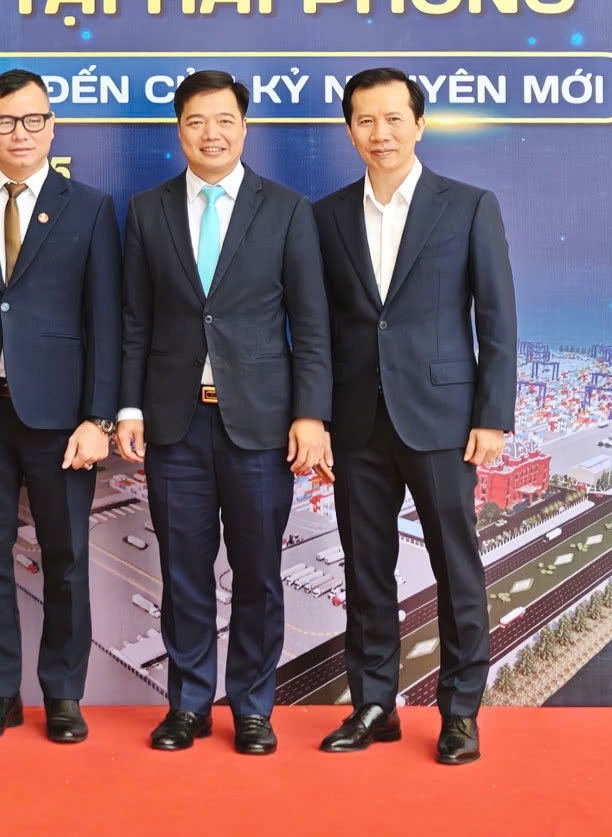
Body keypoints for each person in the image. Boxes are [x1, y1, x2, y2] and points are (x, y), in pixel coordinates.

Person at [116, 70, 331, 755]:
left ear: (244, 127)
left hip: (261, 426)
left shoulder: (287, 210)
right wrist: (129, 406)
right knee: (182, 571)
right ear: (178, 129)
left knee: (259, 574)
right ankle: (187, 703)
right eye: (196, 121)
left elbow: (311, 324)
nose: (211, 133)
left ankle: (253, 707)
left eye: (224, 120)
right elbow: (134, 321)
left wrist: (310, 414)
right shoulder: (147, 210)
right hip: (175, 424)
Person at [314, 67, 515, 766]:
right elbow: (316, 328)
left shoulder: (468, 206)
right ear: (350, 131)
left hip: (443, 420)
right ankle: (374, 704)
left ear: (419, 124)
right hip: (355, 422)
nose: (381, 133)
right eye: (365, 120)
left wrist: (492, 416)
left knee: (456, 567)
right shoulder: (326, 216)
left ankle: (460, 711)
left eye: (394, 118)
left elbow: (496, 317)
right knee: (366, 569)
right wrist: (316, 417)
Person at [0, 68, 120, 744]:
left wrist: (99, 418)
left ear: (52, 125)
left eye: (33, 119)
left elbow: (106, 321)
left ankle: (63, 694)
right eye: (6, 121)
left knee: (65, 557)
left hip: (62, 420)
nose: (20, 132)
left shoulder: (89, 207)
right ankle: (0, 694)